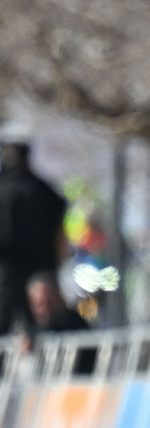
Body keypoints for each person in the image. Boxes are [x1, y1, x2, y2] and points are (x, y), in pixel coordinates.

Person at [0, 141, 68, 337]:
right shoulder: (45, 191)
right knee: (46, 328)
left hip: (5, 275)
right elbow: (59, 237)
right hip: (42, 273)